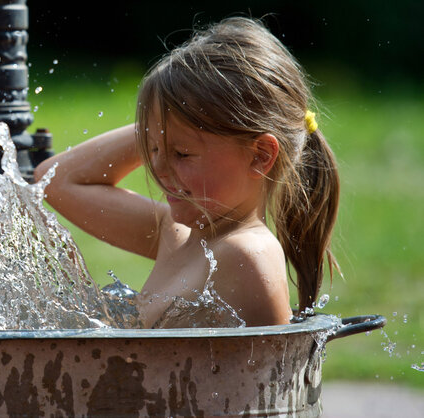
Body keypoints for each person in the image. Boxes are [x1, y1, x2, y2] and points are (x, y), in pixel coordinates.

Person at [35, 17, 339, 328]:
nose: (157, 167)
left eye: (181, 153)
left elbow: (273, 373)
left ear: (260, 156)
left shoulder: (246, 255)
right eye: (152, 149)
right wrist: (164, 121)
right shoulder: (177, 236)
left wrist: (166, 124)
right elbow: (55, 180)